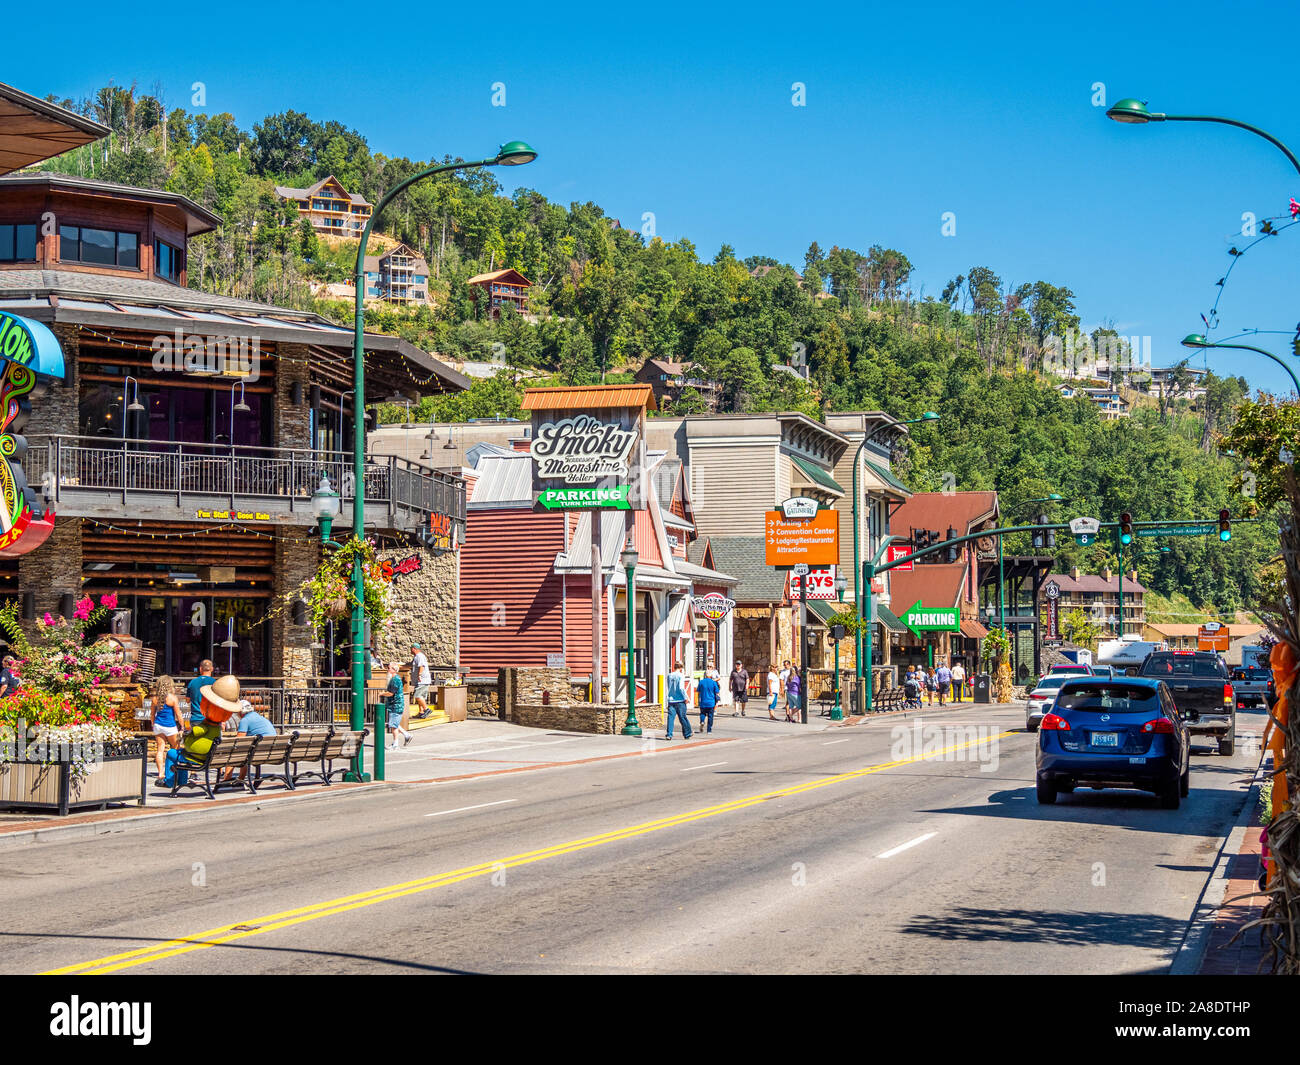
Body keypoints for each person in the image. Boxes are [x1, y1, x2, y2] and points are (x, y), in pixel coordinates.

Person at [149, 675, 183, 779]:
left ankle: (160, 773)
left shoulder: (155, 699)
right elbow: (178, 714)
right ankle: (173, 771)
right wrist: (182, 727)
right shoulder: (172, 698)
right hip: (170, 726)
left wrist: (154, 724)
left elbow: (152, 714)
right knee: (175, 748)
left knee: (160, 750)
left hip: (158, 725)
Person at [385, 662, 411, 749]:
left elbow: (391, 693)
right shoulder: (394, 679)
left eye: (389, 668)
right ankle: (406, 735)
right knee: (394, 723)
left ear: (394, 670)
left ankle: (395, 744)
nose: (388, 669)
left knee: (393, 726)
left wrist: (381, 694)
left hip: (396, 704)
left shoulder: (395, 679)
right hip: (394, 704)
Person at [664, 661, 692, 740]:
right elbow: (681, 688)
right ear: (681, 668)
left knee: (670, 718)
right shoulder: (681, 675)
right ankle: (687, 733)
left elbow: (669, 686)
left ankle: (669, 734)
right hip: (680, 699)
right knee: (682, 717)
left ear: (674, 667)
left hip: (671, 699)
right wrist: (686, 697)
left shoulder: (669, 675)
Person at [185, 659, 216, 727]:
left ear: (200, 669)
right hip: (212, 719)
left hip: (196, 719)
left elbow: (187, 700)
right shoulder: (215, 683)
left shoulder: (192, 682)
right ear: (212, 669)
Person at [410, 642, 433, 719]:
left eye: (411, 649)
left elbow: (421, 666)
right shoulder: (417, 656)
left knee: (417, 695)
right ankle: (421, 712)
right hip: (420, 681)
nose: (410, 650)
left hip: (422, 680)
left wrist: (419, 675)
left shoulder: (419, 656)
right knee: (421, 697)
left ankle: (426, 709)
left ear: (414, 649)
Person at [697, 669, 721, 734]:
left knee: (702, 713)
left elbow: (698, 691)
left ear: (705, 675)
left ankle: (702, 721)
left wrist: (699, 700)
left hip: (703, 701)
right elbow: (717, 692)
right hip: (711, 702)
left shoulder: (701, 682)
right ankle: (709, 730)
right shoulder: (713, 682)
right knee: (710, 716)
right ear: (711, 675)